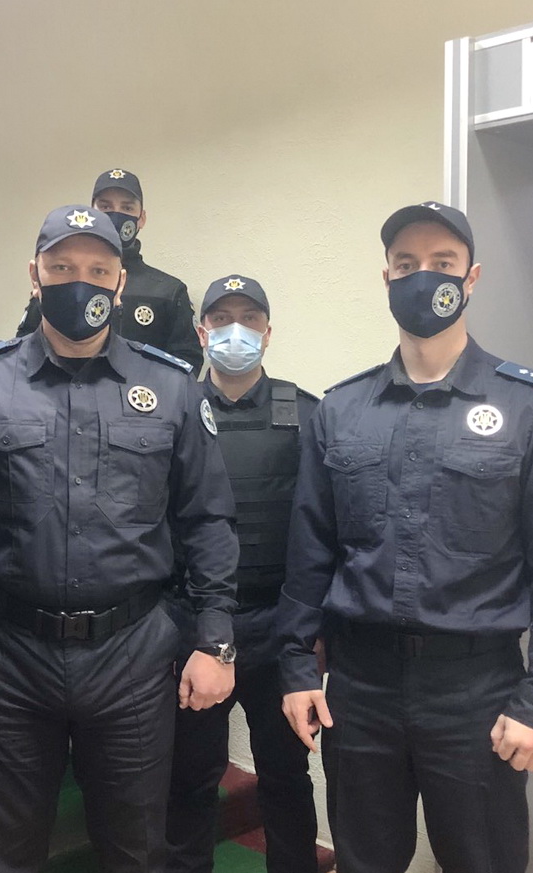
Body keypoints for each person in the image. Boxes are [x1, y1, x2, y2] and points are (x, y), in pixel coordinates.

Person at [0, 204, 239, 873]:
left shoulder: (170, 387)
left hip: (132, 654)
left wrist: (216, 638)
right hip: (9, 654)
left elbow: (207, 520)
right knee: (4, 851)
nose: (80, 282)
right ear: (35, 275)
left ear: (120, 283)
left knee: (137, 851)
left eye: (97, 271)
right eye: (61, 268)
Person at [278, 201, 533, 873]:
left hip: (475, 689)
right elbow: (310, 553)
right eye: (406, 264)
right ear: (387, 278)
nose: (423, 276)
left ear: (471, 277)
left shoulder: (531, 406)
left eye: (442, 262)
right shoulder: (341, 410)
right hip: (359, 687)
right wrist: (297, 667)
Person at [166, 275, 321, 873]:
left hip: (280, 625)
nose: (237, 329)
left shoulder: (306, 413)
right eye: (222, 318)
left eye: (250, 319)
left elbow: (322, 530)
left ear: (268, 332)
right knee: (190, 777)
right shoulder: (174, 409)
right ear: (202, 331)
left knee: (285, 775)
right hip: (194, 626)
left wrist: (315, 632)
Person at [15, 169, 203, 371]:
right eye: (105, 206)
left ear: (141, 218)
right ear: (93, 212)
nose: (116, 215)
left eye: (127, 207)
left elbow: (187, 363)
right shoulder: (57, 282)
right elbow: (26, 349)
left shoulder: (168, 291)